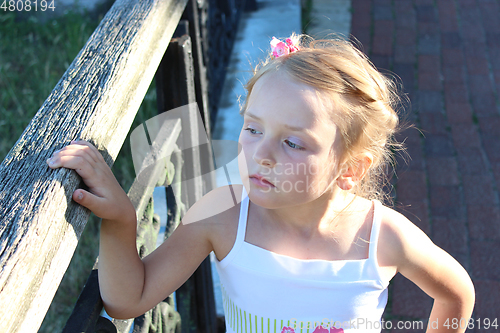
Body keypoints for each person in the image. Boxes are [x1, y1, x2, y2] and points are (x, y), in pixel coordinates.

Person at [46, 35, 474, 333]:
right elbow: (128, 299)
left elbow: (456, 294)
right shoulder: (223, 216)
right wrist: (120, 219)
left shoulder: (383, 236)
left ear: (350, 168)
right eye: (253, 128)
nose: (262, 153)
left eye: (291, 142)